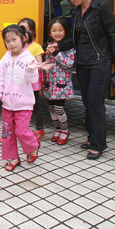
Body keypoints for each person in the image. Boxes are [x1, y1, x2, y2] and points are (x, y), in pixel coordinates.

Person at [52, 0, 115, 160]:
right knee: (87, 102)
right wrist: (59, 46)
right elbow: (76, 39)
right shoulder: (76, 11)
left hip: (99, 62)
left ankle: (98, 144)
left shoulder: (100, 8)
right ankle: (92, 137)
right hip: (83, 62)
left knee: (95, 103)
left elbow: (112, 37)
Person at [0, 25, 49, 171]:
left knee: (21, 131)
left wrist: (30, 69)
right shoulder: (5, 58)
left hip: (24, 104)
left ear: (23, 38)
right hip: (7, 104)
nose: (11, 44)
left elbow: (33, 79)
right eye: (7, 41)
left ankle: (33, 146)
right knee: (7, 133)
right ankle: (13, 158)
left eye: (14, 40)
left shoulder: (28, 58)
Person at [43, 16, 75, 145]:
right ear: (49, 32)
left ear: (65, 31)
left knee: (58, 108)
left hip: (62, 84)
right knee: (51, 108)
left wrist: (56, 53)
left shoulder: (69, 47)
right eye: (54, 30)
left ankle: (65, 131)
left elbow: (68, 64)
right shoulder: (48, 46)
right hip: (50, 83)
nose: (57, 33)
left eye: (60, 30)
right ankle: (57, 130)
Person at [18, 17, 46, 141]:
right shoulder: (17, 47)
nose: (23, 33)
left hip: (32, 83)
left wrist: (33, 66)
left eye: (25, 29)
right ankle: (19, 131)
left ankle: (39, 128)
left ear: (32, 32)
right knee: (19, 107)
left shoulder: (36, 47)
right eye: (20, 29)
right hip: (19, 83)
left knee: (34, 106)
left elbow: (39, 63)